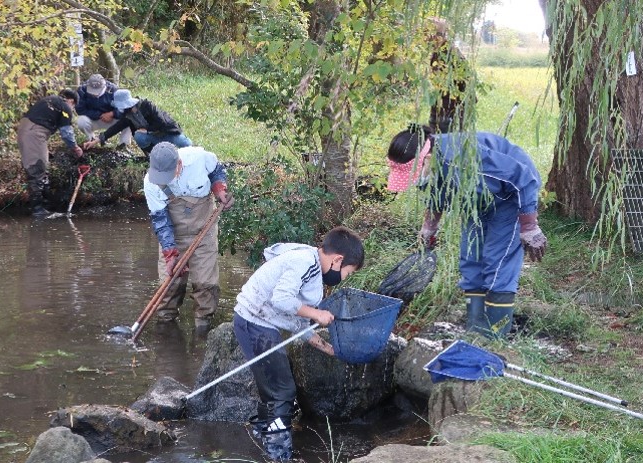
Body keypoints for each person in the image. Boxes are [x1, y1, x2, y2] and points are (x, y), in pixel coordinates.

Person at [386, 125, 547, 338]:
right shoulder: (432, 164)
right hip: (477, 200)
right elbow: (437, 191)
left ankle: (495, 335)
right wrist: (428, 228)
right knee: (470, 259)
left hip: (510, 196)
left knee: (497, 263)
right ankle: (475, 328)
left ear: (426, 159)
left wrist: (529, 226)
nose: (414, 182)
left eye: (413, 175)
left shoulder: (462, 159)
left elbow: (523, 178)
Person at [233, 226, 365, 461]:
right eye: (349, 273)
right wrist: (316, 314)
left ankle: (262, 431)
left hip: (262, 323)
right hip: (253, 321)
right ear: (338, 260)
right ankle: (279, 453)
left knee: (275, 384)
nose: (345, 278)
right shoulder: (305, 262)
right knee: (283, 391)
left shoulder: (313, 270)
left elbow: (297, 324)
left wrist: (327, 348)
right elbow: (282, 300)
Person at [143, 142, 234, 334]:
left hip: (204, 231)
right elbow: (160, 220)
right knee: (169, 286)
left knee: (206, 284)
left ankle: (203, 329)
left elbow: (217, 172)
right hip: (173, 234)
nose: (165, 180)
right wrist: (170, 253)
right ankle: (166, 331)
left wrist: (219, 190)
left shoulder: (200, 158)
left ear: (179, 164)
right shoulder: (150, 182)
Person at [17, 89, 83, 217]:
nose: (72, 109)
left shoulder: (51, 100)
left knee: (42, 167)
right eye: (74, 106)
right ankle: (37, 210)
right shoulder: (65, 107)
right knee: (37, 169)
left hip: (27, 130)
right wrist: (75, 148)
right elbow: (66, 133)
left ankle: (47, 205)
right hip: (34, 133)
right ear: (71, 101)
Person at [82, 89, 192, 154]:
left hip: (167, 133)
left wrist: (147, 129)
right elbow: (116, 128)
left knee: (186, 144)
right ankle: (152, 155)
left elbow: (162, 123)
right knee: (139, 136)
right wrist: (97, 140)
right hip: (153, 138)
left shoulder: (147, 106)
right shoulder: (127, 114)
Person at [427, 18, 472, 134]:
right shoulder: (437, 53)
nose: (425, 39)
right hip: (439, 109)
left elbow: (467, 86)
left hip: (450, 113)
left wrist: (458, 113)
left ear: (438, 36)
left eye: (427, 35)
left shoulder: (452, 55)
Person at [74, 74, 133, 147]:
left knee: (128, 120)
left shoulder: (114, 90)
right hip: (94, 119)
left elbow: (124, 108)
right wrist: (99, 115)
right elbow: (80, 110)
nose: (95, 94)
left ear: (104, 86)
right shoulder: (82, 90)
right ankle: (91, 140)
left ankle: (124, 145)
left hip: (113, 119)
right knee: (81, 121)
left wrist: (112, 113)